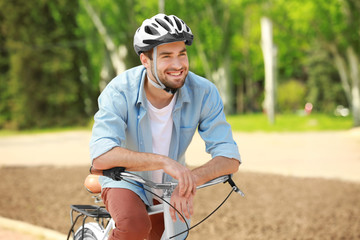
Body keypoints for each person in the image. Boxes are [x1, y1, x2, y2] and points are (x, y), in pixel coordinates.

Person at [90, 13, 241, 240]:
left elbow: (229, 157)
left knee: (171, 236)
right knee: (135, 227)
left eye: (182, 54)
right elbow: (101, 155)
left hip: (171, 187)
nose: (178, 65)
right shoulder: (119, 91)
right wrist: (163, 161)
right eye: (167, 56)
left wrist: (188, 180)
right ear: (145, 60)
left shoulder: (204, 92)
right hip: (126, 180)